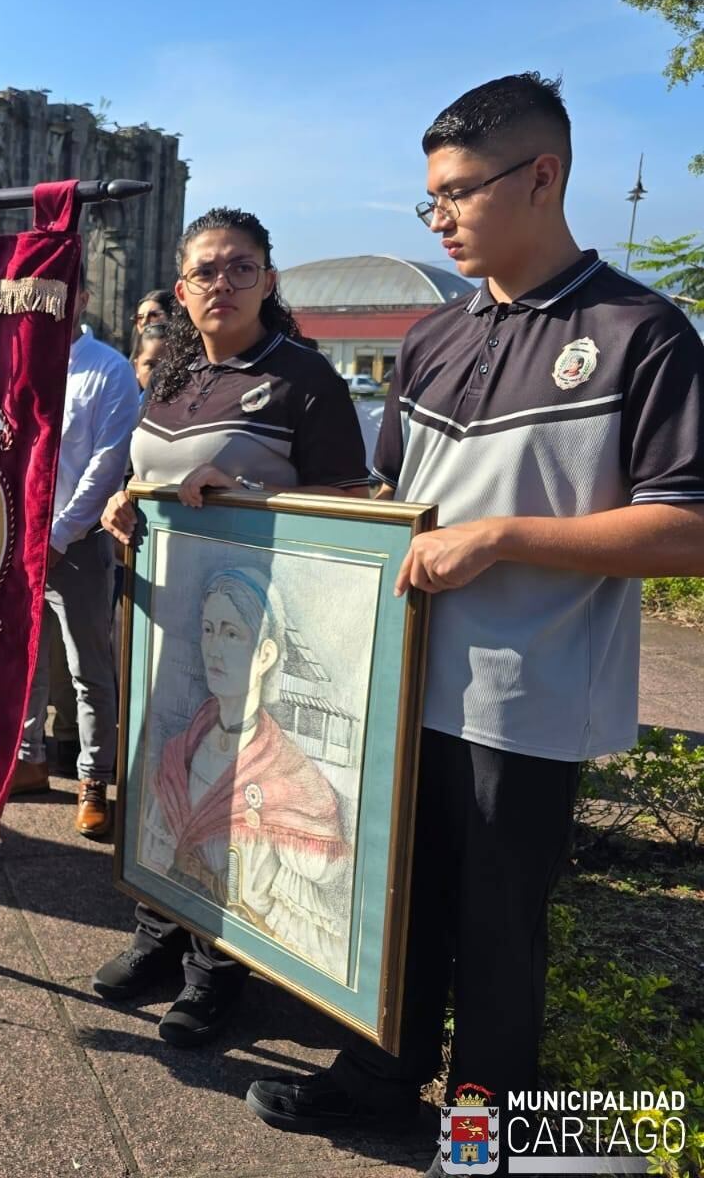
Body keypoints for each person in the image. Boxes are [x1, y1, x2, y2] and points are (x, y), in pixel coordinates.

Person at [241, 76, 704, 1175]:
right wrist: (232, 507)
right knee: (394, 910)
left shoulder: (640, 332)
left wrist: (499, 538)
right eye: (429, 201)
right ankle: (378, 1081)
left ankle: (485, 1141)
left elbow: (687, 527)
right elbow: (386, 506)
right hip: (400, 682)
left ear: (541, 177)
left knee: (499, 943)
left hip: (522, 701)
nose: (438, 217)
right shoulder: (436, 335)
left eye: (456, 193)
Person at [92, 206, 370, 1049]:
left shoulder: (302, 380)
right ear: (182, 290)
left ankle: (219, 970)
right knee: (161, 772)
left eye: (241, 267)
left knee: (237, 796)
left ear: (269, 279)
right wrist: (121, 502)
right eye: (207, 271)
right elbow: (148, 480)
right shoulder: (172, 377)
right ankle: (158, 935)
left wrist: (246, 498)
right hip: (154, 614)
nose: (224, 283)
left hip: (245, 637)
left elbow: (353, 514)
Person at [144, 568, 350, 978]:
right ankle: (155, 933)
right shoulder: (180, 751)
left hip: (242, 932)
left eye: (231, 633)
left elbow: (323, 877)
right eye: (208, 630)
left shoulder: (290, 777)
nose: (213, 649)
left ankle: (212, 975)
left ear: (267, 655)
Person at [16, 284, 139, 838]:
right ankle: (28, 759)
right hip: (19, 542)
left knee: (89, 668)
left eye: (61, 289)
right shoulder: (16, 358)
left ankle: (94, 778)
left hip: (79, 544)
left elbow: (107, 465)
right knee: (25, 662)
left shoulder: (107, 370)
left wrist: (60, 535)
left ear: (84, 294)